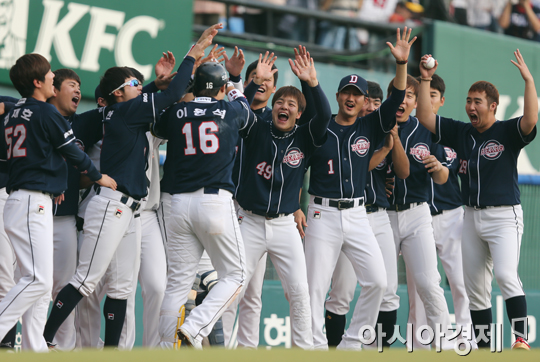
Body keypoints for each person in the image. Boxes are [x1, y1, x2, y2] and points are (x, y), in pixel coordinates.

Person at [42, 24, 222, 348]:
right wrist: (192, 57)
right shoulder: (125, 111)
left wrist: (154, 83)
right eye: (134, 83)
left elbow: (159, 96)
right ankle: (45, 340)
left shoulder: (124, 110)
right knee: (86, 280)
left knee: (122, 288)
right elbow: (168, 96)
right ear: (116, 94)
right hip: (110, 204)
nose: (141, 88)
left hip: (131, 210)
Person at [416, 50, 537, 350]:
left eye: (477, 101)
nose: (470, 106)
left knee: (507, 276)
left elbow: (531, 119)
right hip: (470, 217)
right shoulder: (462, 132)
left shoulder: (506, 131)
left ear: (493, 106)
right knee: (476, 290)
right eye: (469, 100)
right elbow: (425, 115)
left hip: (504, 216)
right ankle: (485, 349)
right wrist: (425, 78)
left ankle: (521, 339)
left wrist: (529, 81)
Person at [303, 28, 413, 351]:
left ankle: (351, 344)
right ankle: (315, 348)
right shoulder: (321, 126)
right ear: (338, 97)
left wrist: (402, 65)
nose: (351, 98)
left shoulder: (370, 125)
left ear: (365, 101)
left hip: (357, 214)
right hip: (322, 213)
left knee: (378, 282)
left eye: (357, 93)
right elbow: (314, 110)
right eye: (346, 92)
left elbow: (395, 100)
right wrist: (310, 82)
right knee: (315, 288)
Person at [0, 53, 114, 352]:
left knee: (36, 285)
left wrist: (55, 181)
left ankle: (34, 351)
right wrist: (98, 175)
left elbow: (41, 152)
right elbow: (73, 153)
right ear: (38, 82)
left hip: (25, 199)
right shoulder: (46, 113)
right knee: (37, 281)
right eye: (50, 75)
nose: (53, 77)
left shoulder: (15, 112)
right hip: (30, 202)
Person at [155, 58, 257, 349]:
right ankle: (196, 326)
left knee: (177, 282)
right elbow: (246, 111)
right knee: (236, 274)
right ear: (223, 88)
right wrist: (241, 85)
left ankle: (166, 348)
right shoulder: (230, 108)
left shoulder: (177, 112)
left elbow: (159, 129)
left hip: (175, 204)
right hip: (213, 202)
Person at [234, 50, 331, 349]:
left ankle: (303, 352)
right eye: (280, 103)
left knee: (300, 293)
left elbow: (324, 116)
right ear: (272, 108)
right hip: (248, 220)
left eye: (291, 105)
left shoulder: (304, 136)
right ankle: (222, 348)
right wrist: (254, 81)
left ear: (299, 114)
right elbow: (239, 108)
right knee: (233, 289)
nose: (283, 107)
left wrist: (311, 83)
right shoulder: (256, 127)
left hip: (285, 225)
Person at [323, 81, 407, 349]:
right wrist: (382, 149)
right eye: (367, 99)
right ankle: (337, 349)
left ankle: (375, 351)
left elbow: (403, 172)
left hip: (379, 214)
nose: (371, 105)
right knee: (341, 293)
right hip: (348, 214)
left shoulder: (381, 129)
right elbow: (362, 168)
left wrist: (393, 143)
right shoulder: (345, 130)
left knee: (387, 291)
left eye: (375, 101)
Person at [385, 73, 455, 351]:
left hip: (417, 213)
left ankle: (446, 346)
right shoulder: (376, 125)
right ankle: (378, 347)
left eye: (410, 95)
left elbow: (442, 178)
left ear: (416, 102)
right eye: (398, 93)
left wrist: (439, 169)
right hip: (383, 216)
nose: (402, 100)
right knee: (385, 290)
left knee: (428, 284)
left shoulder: (427, 129)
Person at [405, 74, 475, 350]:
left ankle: (465, 342)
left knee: (460, 283)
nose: (426, 99)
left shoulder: (452, 134)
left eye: (431, 95)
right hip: (415, 218)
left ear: (441, 101)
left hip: (450, 216)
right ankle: (421, 348)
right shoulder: (406, 131)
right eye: (422, 94)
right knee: (418, 290)